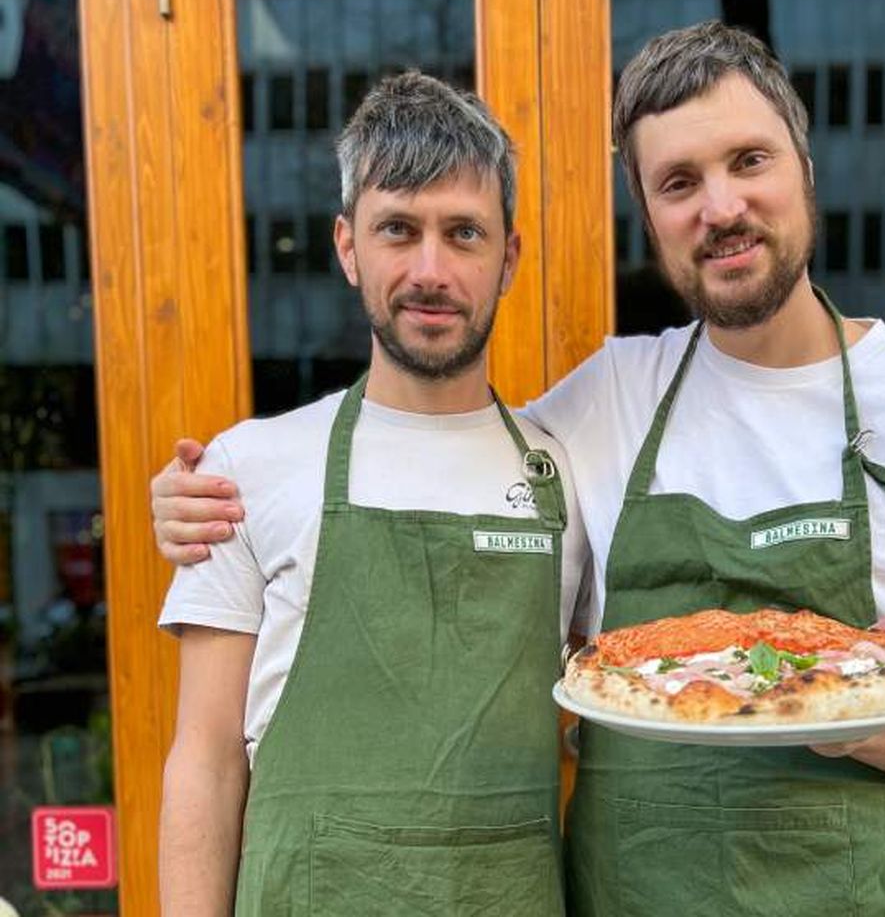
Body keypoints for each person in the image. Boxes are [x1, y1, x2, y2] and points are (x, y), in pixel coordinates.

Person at [154, 23, 885, 911]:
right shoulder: (601, 403)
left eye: (749, 161)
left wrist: (861, 721)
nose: (719, 208)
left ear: (805, 168)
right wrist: (188, 498)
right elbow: (430, 461)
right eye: (678, 182)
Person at [156, 71, 590, 916]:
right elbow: (204, 762)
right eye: (399, 229)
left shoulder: (571, 473)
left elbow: (632, 701)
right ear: (349, 246)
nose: (430, 270)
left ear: (509, 258)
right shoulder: (249, 467)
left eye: (464, 233)